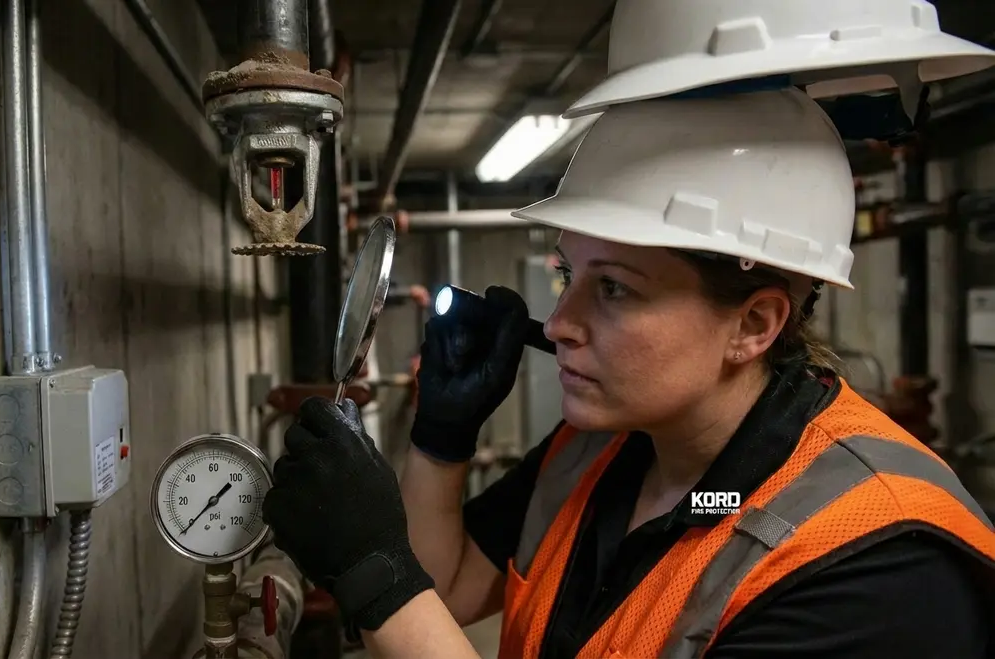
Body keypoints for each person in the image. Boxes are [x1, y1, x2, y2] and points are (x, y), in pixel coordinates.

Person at [261, 87, 995, 659]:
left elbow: (410, 595)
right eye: (565, 273)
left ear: (753, 324)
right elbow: (446, 588)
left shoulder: (879, 567)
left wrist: (374, 575)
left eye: (613, 287)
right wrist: (441, 437)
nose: (557, 324)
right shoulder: (604, 452)